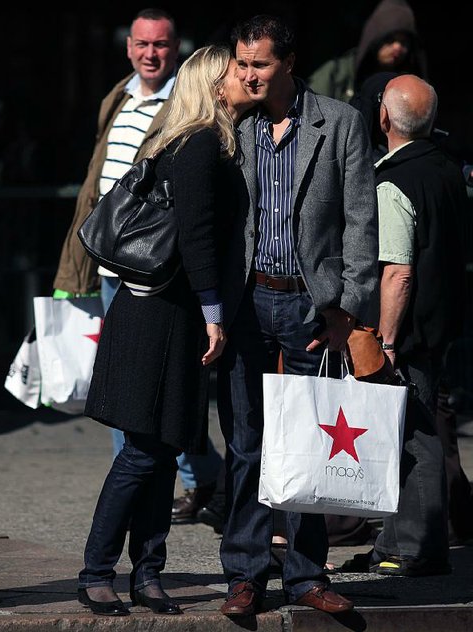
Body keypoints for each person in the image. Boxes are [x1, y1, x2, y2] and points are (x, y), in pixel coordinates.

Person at [76, 44, 254, 617]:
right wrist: (214, 313)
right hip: (163, 314)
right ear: (211, 83)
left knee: (162, 445)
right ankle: (97, 570)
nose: (243, 78)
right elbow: (199, 238)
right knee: (142, 451)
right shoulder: (200, 144)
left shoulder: (181, 139)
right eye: (233, 72)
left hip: (160, 311)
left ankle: (148, 574)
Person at [218, 14, 378, 617]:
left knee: (311, 443)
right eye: (242, 63)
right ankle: (246, 572)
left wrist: (347, 308)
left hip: (312, 303)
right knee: (245, 442)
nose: (248, 74)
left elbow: (363, 221)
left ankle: (308, 574)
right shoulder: (233, 125)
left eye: (259, 64)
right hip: (245, 300)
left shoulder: (338, 123)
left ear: (288, 63)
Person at [51, 6, 224, 522]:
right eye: (142, 44)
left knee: (155, 394)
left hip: (154, 268)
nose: (151, 54)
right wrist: (73, 268)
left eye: (161, 45)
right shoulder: (118, 97)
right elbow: (94, 183)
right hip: (112, 265)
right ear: (129, 47)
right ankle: (183, 481)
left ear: (177, 49)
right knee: (124, 393)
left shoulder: (184, 104)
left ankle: (182, 483)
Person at [346, 75, 464, 576]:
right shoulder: (444, 167)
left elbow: (397, 270)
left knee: (414, 438)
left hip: (409, 332)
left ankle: (415, 549)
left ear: (384, 118)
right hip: (442, 325)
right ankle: (393, 543)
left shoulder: (393, 181)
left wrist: (386, 342)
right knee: (413, 434)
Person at [307, 0, 427, 103]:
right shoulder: (336, 74)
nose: (397, 47)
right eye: (390, 39)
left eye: (404, 42)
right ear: (374, 39)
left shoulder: (411, 83)